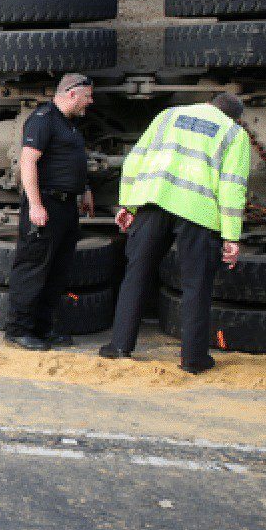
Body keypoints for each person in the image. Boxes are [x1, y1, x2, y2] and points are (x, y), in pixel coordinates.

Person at [100, 92, 251, 374]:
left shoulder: (168, 115)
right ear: (234, 116)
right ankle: (193, 360)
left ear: (208, 104)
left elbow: (135, 160)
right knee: (196, 285)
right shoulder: (234, 133)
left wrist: (129, 204)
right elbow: (232, 187)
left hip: (154, 202)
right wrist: (232, 237)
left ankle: (119, 347)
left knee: (137, 275)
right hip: (198, 213)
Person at [4, 72, 97, 351]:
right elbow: (28, 163)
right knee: (33, 268)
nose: (90, 102)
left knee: (57, 270)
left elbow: (71, 161)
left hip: (66, 206)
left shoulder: (68, 125)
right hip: (46, 205)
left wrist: (86, 189)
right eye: (88, 96)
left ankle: (43, 328)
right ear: (72, 94)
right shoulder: (43, 119)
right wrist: (35, 204)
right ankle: (18, 329)